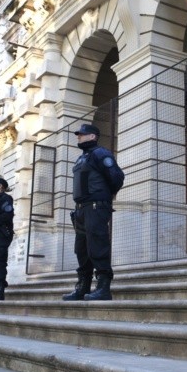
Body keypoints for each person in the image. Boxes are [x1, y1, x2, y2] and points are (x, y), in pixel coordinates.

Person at [63, 124, 125, 301]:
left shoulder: (100, 153)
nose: (78, 137)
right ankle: (82, 287)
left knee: (98, 247)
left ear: (93, 136)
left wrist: (104, 196)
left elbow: (117, 177)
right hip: (82, 210)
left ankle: (103, 288)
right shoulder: (82, 158)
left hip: (96, 207)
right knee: (82, 250)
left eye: (82, 135)